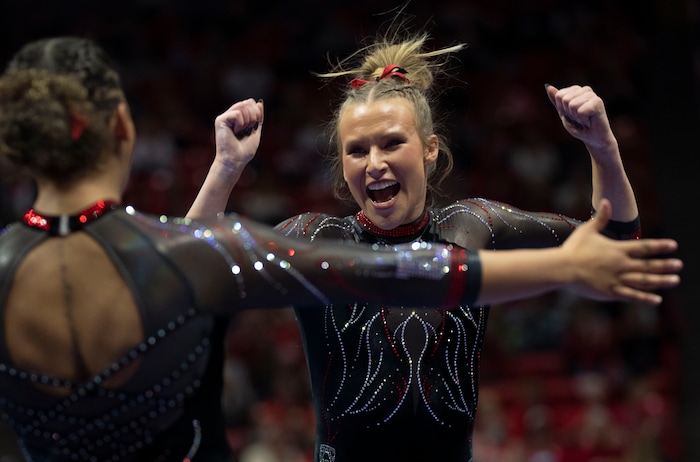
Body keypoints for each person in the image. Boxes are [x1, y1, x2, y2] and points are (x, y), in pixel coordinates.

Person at [0, 36, 680, 462]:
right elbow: (188, 270)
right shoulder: (317, 240)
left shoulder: (478, 224)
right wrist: (226, 169)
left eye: (392, 144)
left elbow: (613, 252)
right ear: (342, 167)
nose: (375, 161)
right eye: (358, 150)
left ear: (431, 150)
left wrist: (603, 147)